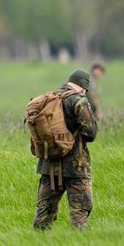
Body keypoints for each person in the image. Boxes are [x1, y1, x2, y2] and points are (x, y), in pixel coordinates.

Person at [33, 68, 99, 231]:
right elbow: (90, 133)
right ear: (83, 87)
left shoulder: (49, 99)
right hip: (76, 165)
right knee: (79, 216)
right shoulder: (78, 100)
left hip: (49, 165)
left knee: (43, 216)